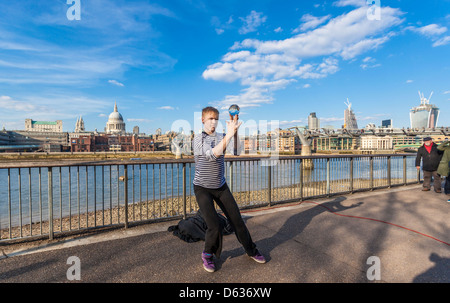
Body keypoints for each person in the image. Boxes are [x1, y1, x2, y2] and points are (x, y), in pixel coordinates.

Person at [193, 106, 266, 273]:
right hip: (202, 188)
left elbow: (237, 151)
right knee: (214, 226)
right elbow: (212, 155)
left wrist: (234, 132)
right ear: (203, 120)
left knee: (237, 221)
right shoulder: (198, 139)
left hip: (220, 186)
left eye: (216, 119)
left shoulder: (221, 136)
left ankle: (251, 250)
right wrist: (229, 134)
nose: (213, 122)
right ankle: (207, 255)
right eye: (210, 118)